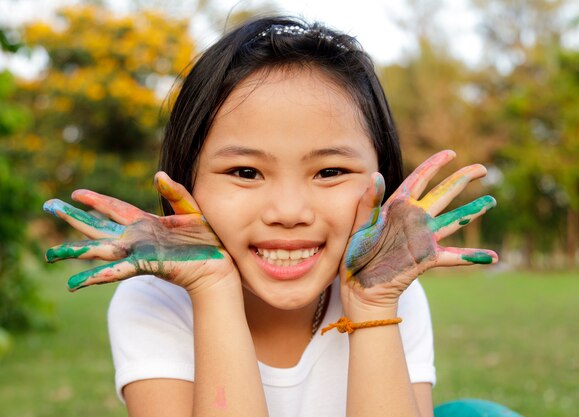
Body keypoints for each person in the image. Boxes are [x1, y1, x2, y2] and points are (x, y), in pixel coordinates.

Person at [43, 15, 518, 417]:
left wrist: (372, 308)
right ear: (185, 183)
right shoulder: (152, 300)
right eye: (245, 171)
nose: (288, 212)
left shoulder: (392, 292)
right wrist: (212, 290)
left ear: (384, 181)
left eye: (330, 170)